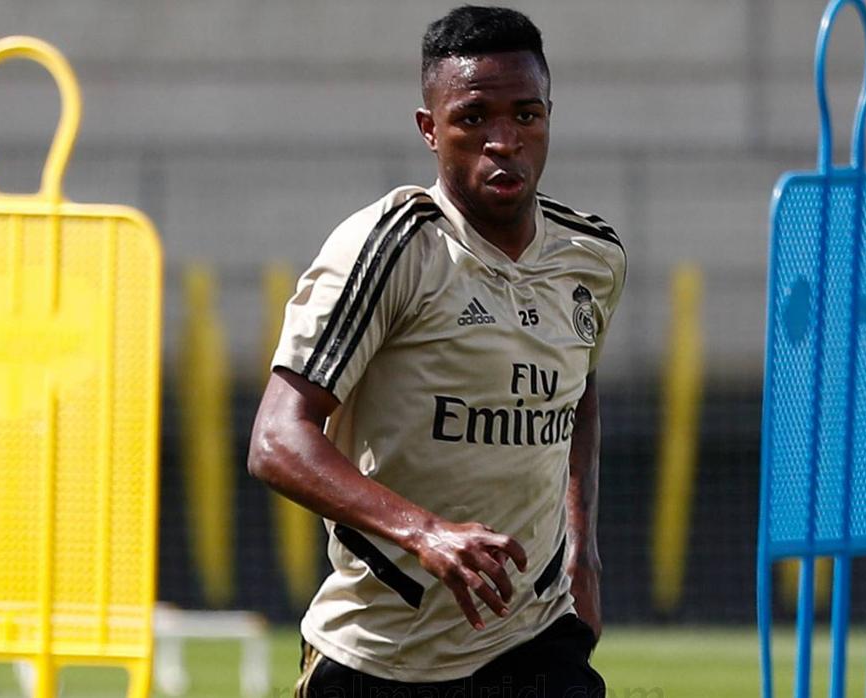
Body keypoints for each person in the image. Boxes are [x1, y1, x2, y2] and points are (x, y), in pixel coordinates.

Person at [248, 5, 626, 696]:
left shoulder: (592, 257)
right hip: (381, 653)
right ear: (430, 129)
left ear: (549, 118)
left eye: (526, 116)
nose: (503, 141)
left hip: (532, 635)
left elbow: (578, 390)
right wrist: (426, 533)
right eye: (474, 118)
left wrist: (582, 551)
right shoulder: (391, 249)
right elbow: (276, 439)